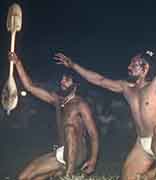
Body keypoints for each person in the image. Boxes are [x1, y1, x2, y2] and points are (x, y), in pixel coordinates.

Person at [53, 50, 156, 180]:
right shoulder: (126, 88)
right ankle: (150, 175)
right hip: (142, 144)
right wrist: (73, 65)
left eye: (133, 64)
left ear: (145, 68)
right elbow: (99, 80)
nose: (128, 67)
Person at [8, 52, 99, 180]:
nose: (62, 82)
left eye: (66, 80)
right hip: (62, 152)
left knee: (70, 128)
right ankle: (64, 170)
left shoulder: (80, 104)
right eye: (62, 79)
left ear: (76, 85)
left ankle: (69, 175)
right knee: (24, 177)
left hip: (78, 153)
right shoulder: (58, 100)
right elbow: (30, 87)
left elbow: (93, 134)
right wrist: (18, 63)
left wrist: (93, 160)